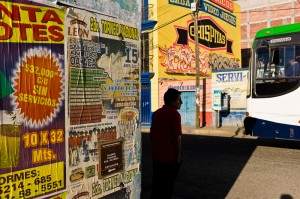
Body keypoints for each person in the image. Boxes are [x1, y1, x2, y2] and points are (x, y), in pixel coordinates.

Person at [150, 88, 182, 199]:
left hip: (157, 157)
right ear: (172, 101)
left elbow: (152, 135)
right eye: (179, 100)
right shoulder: (175, 114)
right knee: (167, 188)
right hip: (169, 158)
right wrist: (178, 158)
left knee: (157, 186)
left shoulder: (156, 114)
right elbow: (177, 138)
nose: (181, 102)